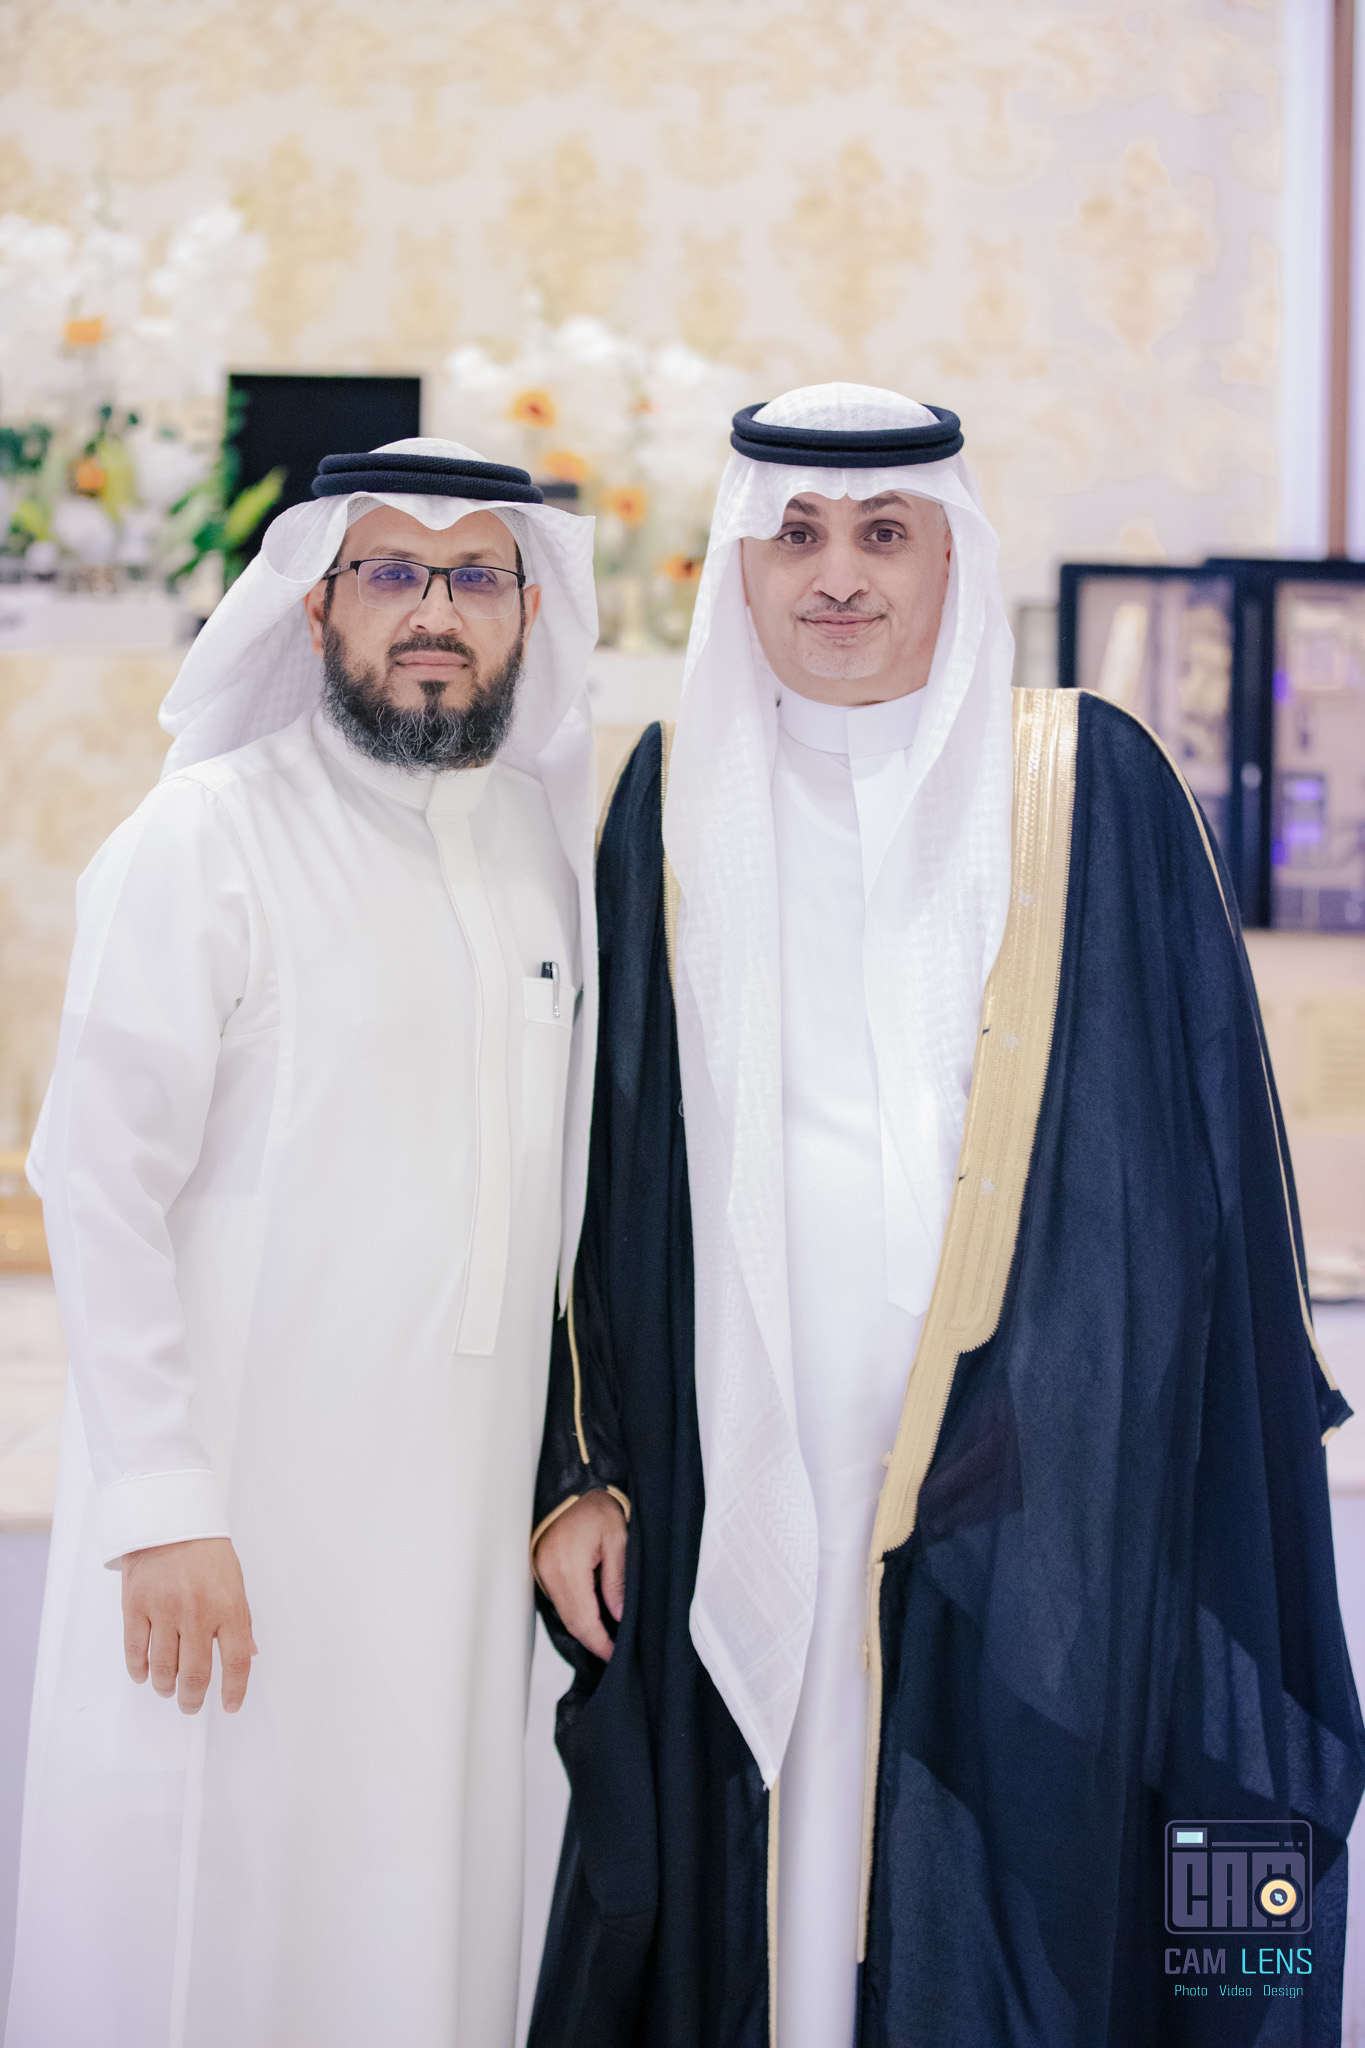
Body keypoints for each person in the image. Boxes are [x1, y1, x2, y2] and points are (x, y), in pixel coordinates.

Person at [528, 386, 1365, 2048]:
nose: (837, 575)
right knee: (768, 1877)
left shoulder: (1086, 780)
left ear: (951, 557)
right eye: (795, 535)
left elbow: (1199, 1145)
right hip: (736, 1462)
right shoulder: (670, 801)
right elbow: (597, 1170)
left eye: (883, 533)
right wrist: (584, 1468)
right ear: (739, 565)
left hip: (1038, 1491)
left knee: (1024, 1873)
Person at [6, 441, 598, 2048]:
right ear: (317, 605)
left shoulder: (543, 854)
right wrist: (163, 1503)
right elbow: (97, 1181)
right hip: (235, 1530)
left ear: (530, 610)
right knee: (218, 1929)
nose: (432, 612)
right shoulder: (205, 836)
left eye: (473, 577)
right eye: (390, 572)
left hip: (460, 1544)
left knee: (418, 1925)